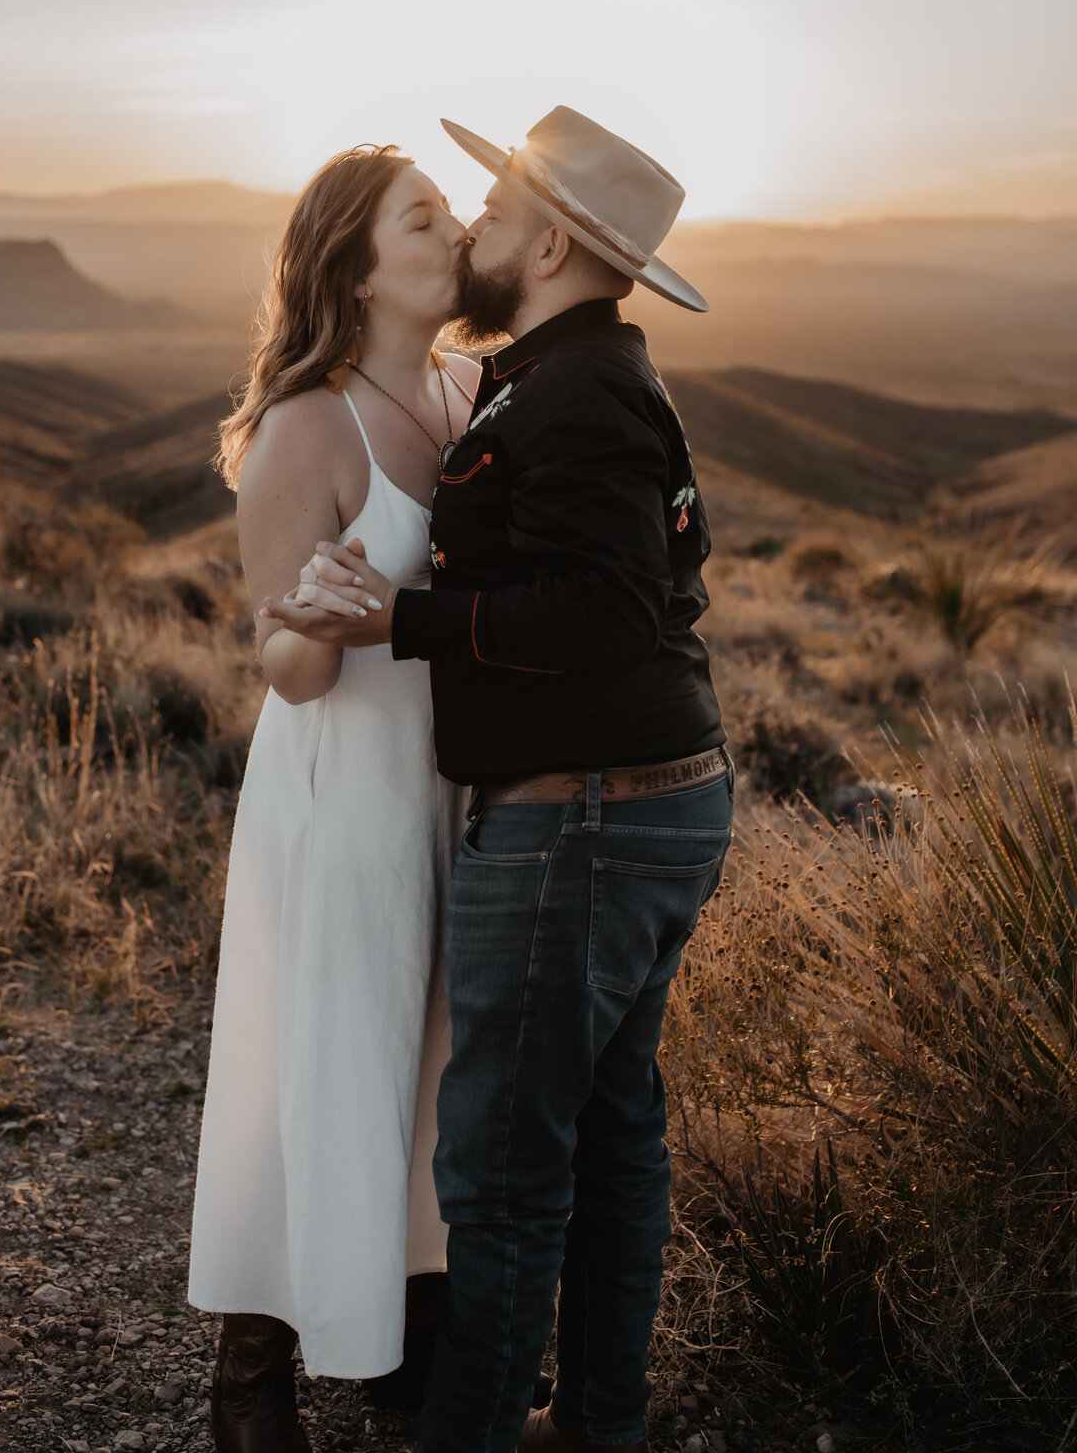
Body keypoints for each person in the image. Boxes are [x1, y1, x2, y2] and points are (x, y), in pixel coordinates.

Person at [274, 106, 732, 1453]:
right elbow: (671, 578)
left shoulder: (577, 389)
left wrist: (399, 624)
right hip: (641, 800)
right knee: (607, 1137)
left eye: (492, 210)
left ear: (545, 242)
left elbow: (608, 613)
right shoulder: (564, 376)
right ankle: (598, 1425)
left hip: (581, 821)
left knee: (502, 1171)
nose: (474, 229)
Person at [187, 143, 478, 1452]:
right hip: (343, 803)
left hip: (455, 798)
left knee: (430, 1070)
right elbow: (287, 670)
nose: (458, 228)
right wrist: (319, 620)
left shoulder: (471, 387)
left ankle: (393, 1347)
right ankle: (252, 1370)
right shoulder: (309, 429)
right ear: (357, 269)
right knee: (328, 1063)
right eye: (425, 218)